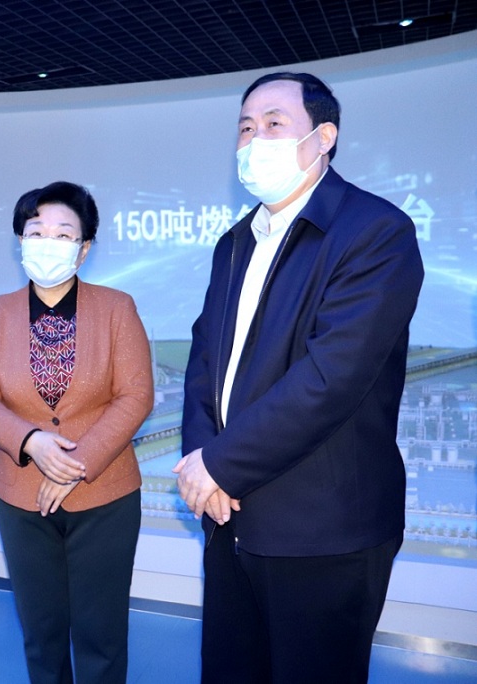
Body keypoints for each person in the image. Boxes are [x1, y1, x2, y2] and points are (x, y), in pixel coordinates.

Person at [176, 72, 424, 683]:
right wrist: (202, 462)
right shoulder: (236, 242)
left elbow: (330, 378)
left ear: (323, 137)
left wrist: (219, 465)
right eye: (245, 128)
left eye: (273, 124)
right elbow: (205, 359)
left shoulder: (375, 232)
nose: (253, 140)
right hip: (230, 517)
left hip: (323, 532)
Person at [0, 182, 153, 684]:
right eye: (36, 231)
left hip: (104, 495)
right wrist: (32, 443)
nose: (48, 242)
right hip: (22, 496)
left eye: (63, 234)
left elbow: (135, 395)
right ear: (20, 241)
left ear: (84, 249)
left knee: (100, 632)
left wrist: (73, 463)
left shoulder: (117, 308)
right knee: (41, 630)